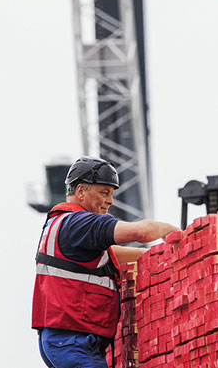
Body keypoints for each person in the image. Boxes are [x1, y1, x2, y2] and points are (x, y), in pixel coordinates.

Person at [32, 157, 178, 368]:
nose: (110, 201)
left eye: (111, 194)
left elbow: (110, 256)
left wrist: (161, 253)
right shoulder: (81, 223)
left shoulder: (61, 223)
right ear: (80, 191)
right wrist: (169, 230)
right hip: (75, 342)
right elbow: (141, 232)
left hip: (62, 339)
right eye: (104, 193)